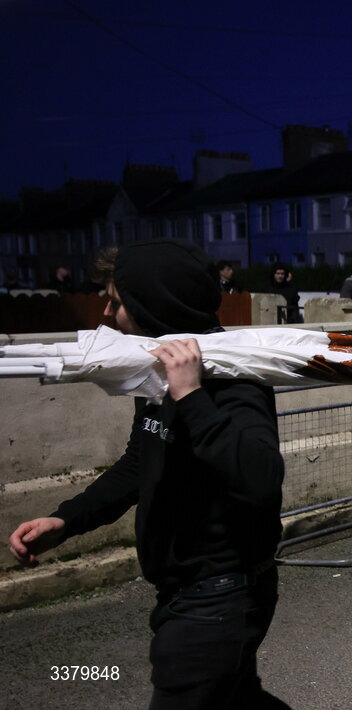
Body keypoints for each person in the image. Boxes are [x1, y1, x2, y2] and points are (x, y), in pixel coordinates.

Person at [7, 240, 289, 709]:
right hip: (185, 594)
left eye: (117, 301)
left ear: (152, 308)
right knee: (236, 698)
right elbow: (141, 462)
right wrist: (67, 521)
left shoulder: (233, 375)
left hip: (219, 599)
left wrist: (193, 398)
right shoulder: (154, 372)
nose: (107, 310)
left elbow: (261, 479)